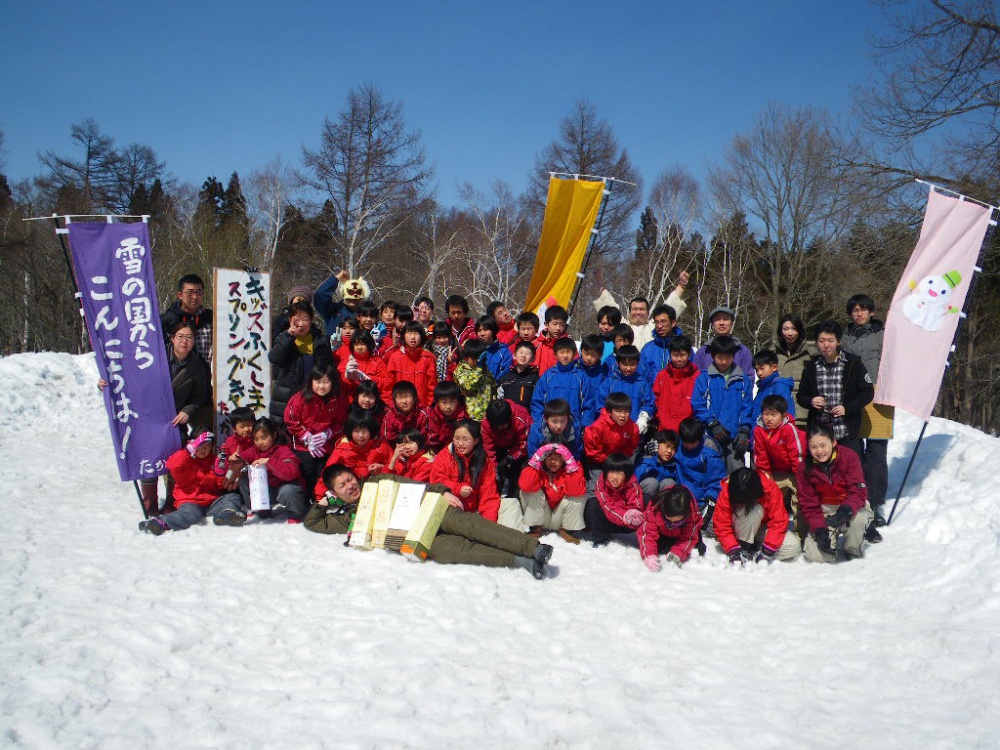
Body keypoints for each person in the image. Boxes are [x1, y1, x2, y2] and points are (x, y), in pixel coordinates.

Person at [304, 464, 554, 578]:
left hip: (430, 511)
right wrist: (324, 502)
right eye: (342, 486)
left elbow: (413, 485)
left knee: (473, 527)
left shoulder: (378, 481)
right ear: (335, 493)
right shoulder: (350, 518)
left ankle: (533, 548)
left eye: (349, 479)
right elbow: (313, 523)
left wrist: (441, 491)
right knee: (458, 551)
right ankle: (522, 562)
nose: (350, 486)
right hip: (417, 538)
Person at [841, 293, 889, 538]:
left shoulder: (883, 334)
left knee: (877, 452)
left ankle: (876, 502)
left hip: (880, 396)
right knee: (854, 450)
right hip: (853, 396)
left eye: (863, 309)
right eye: (855, 310)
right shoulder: (845, 336)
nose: (858, 314)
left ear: (872, 312)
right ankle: (860, 498)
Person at [138, 431, 245, 535]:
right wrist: (188, 450)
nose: (204, 450)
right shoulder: (185, 458)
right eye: (201, 446)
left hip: (211, 501)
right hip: (190, 501)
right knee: (191, 516)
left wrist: (221, 474)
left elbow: (221, 485)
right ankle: (160, 523)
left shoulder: (214, 460)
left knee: (232, 497)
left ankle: (227, 515)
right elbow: (172, 465)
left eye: (208, 446)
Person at [796, 320, 874, 459]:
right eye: (821, 341)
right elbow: (801, 396)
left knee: (850, 468)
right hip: (820, 432)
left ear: (838, 342)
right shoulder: (811, 367)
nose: (826, 345)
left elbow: (867, 392)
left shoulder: (853, 364)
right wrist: (811, 401)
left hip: (847, 430)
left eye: (830, 340)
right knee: (820, 470)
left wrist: (847, 408)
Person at [798, 423, 874, 563]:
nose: (819, 451)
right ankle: (828, 546)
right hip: (825, 511)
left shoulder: (848, 457)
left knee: (858, 520)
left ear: (833, 442)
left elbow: (858, 491)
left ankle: (852, 549)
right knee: (817, 556)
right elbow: (809, 504)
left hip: (851, 507)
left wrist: (846, 510)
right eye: (813, 447)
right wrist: (820, 530)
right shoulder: (805, 468)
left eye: (823, 445)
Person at [713, 467, 801, 565]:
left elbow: (778, 521)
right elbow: (721, 526)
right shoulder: (728, 490)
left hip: (762, 527)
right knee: (754, 510)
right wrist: (733, 549)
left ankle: (757, 546)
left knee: (793, 548)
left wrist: (768, 550)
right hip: (740, 526)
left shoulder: (769, 488)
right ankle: (743, 546)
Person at [283, 361, 349, 491]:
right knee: (307, 469)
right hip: (303, 444)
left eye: (326, 382)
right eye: (318, 381)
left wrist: (327, 434)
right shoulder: (301, 397)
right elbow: (291, 418)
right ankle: (306, 497)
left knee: (324, 472)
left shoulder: (338, 399)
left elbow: (342, 422)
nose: (322, 386)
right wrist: (306, 437)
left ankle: (321, 497)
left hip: (327, 444)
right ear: (311, 381)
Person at [691, 336, 754, 471]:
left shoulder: (742, 380)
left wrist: (744, 430)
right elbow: (698, 404)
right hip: (711, 436)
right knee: (713, 473)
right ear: (713, 356)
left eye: (728, 357)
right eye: (720, 357)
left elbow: (747, 407)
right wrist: (712, 423)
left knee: (737, 474)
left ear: (733, 357)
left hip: (734, 438)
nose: (724, 362)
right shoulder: (705, 378)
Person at [268, 300, 332, 424]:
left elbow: (328, 369)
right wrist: (288, 337)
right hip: (286, 397)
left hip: (313, 398)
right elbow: (274, 358)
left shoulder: (321, 341)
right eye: (297, 320)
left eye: (305, 319)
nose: (301, 324)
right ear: (290, 320)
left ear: (311, 320)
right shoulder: (283, 338)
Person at [752, 395, 806, 532]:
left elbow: (797, 454)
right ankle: (767, 527)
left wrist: (800, 476)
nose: (769, 418)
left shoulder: (788, 429)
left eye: (773, 415)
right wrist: (765, 476)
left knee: (801, 496)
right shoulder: (759, 430)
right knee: (767, 494)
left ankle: (801, 530)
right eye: (766, 414)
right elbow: (760, 455)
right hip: (778, 470)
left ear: (783, 415)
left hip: (796, 470)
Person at [429, 419, 501, 522]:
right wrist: (458, 489)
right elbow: (436, 482)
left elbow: (489, 496)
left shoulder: (483, 461)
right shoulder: (444, 456)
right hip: (449, 510)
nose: (460, 443)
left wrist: (487, 524)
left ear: (476, 441)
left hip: (474, 512)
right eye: (456, 438)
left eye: (465, 439)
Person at [238, 417, 309, 523]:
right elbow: (242, 457)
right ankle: (260, 510)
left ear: (274, 435)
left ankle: (296, 514)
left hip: (284, 489)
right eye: (256, 439)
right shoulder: (255, 451)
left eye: (264, 437)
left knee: (289, 490)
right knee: (243, 478)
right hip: (267, 491)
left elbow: (291, 473)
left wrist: (269, 462)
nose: (260, 442)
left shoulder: (284, 450)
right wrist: (235, 460)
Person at [518, 443, 588, 543]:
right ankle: (535, 529)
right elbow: (526, 486)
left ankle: (567, 530)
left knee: (578, 496)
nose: (553, 461)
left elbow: (576, 491)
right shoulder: (535, 468)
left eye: (558, 456)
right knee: (529, 491)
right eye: (549, 456)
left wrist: (571, 466)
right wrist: (535, 462)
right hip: (542, 517)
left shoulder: (575, 468)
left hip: (561, 518)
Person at [675, 418, 727, 534]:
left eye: (692, 443)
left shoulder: (709, 452)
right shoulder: (676, 445)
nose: (688, 446)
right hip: (680, 495)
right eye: (686, 442)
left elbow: (716, 480)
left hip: (702, 498)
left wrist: (711, 499)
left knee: (709, 529)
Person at [320, 410, 392, 492]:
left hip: (379, 489)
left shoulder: (381, 446)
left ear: (371, 430)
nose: (361, 435)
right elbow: (327, 476)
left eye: (364, 431)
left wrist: (382, 468)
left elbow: (396, 466)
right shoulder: (342, 450)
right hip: (350, 492)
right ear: (350, 432)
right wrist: (323, 497)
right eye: (356, 431)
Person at [584, 452, 645, 547]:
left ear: (627, 474)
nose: (615, 477)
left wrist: (631, 517)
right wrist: (624, 516)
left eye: (620, 473)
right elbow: (606, 506)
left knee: (646, 499)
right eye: (611, 472)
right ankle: (601, 538)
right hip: (608, 522)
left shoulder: (633, 486)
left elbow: (636, 508)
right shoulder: (601, 484)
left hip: (627, 525)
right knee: (592, 504)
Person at [637, 485, 703, 572]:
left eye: (677, 520)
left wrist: (677, 553)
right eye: (669, 519)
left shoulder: (691, 515)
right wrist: (650, 555)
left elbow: (688, 538)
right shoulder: (654, 509)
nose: (672, 523)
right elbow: (648, 533)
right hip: (661, 534)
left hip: (679, 538)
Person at [530, 337, 592, 427]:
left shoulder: (581, 377)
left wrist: (583, 426)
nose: (565, 356)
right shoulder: (548, 376)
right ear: (555, 355)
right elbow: (537, 402)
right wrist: (540, 423)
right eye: (562, 352)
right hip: (550, 426)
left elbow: (589, 405)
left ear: (574, 353)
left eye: (568, 352)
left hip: (574, 427)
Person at [598, 344, 655, 435]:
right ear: (618, 363)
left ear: (637, 364)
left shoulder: (642, 383)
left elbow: (649, 403)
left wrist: (643, 417)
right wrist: (608, 419)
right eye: (625, 364)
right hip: (612, 430)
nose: (628, 368)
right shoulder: (610, 383)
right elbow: (601, 404)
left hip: (634, 429)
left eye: (632, 365)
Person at [692, 306, 754, 385]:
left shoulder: (742, 351)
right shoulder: (703, 352)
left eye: (725, 319)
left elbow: (749, 379)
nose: (721, 323)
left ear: (732, 323)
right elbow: (696, 379)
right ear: (712, 324)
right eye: (717, 319)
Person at [481, 399, 531, 497]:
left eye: (502, 425)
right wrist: (494, 468)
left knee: (516, 473)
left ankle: (514, 496)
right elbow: (488, 447)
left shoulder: (519, 419)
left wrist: (510, 458)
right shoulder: (486, 423)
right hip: (498, 445)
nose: (499, 428)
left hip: (519, 449)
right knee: (492, 472)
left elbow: (523, 444)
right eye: (496, 426)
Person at [773, 313, 817, 424]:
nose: (790, 333)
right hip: (779, 414)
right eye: (786, 329)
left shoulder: (811, 353)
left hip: (804, 415)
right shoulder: (773, 353)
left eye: (794, 329)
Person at [160, 273, 213, 364]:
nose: (194, 297)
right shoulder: (167, 320)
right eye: (189, 293)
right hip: (177, 371)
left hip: (205, 371)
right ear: (180, 295)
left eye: (199, 293)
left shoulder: (211, 318)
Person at [651, 335, 698, 432]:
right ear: (670, 354)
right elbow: (655, 399)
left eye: (682, 355)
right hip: (664, 429)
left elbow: (699, 403)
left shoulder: (696, 377)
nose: (679, 359)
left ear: (689, 354)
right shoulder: (662, 375)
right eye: (675, 355)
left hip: (687, 431)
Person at [386, 321, 438, 408]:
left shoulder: (428, 358)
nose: (413, 337)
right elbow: (388, 385)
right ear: (403, 336)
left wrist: (429, 406)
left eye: (416, 333)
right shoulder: (395, 357)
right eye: (409, 333)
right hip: (399, 408)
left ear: (421, 336)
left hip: (422, 408)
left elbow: (432, 386)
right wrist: (391, 406)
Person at [583, 392, 640, 469]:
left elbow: (631, 447)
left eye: (626, 411)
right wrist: (609, 461)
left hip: (620, 461)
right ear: (609, 412)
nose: (623, 415)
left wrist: (619, 460)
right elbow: (593, 451)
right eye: (618, 411)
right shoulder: (597, 427)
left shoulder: (632, 427)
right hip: (599, 462)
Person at [339, 330, 391, 404]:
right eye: (356, 344)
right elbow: (339, 388)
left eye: (362, 344)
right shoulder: (346, 363)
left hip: (372, 402)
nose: (359, 348)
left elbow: (385, 384)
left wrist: (367, 378)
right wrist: (347, 377)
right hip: (352, 404)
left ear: (369, 345)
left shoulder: (378, 362)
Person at [637, 304, 684, 385]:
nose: (659, 326)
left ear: (673, 323)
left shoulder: (684, 347)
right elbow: (641, 376)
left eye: (663, 322)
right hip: (653, 391)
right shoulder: (647, 349)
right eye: (656, 322)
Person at [452, 339, 496, 421]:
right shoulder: (461, 370)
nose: (477, 361)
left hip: (487, 417)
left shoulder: (486, 371)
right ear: (467, 357)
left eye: (479, 358)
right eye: (473, 358)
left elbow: (493, 390)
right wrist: (478, 369)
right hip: (470, 417)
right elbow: (468, 387)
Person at [313, 270, 368, 334]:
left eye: (358, 292)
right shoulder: (333, 311)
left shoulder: (365, 314)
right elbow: (320, 294)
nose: (354, 297)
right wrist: (337, 278)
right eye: (350, 292)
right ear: (343, 293)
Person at [635, 430, 682, 503]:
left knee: (670, 483)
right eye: (667, 446)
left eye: (673, 449)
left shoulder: (674, 466)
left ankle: (661, 509)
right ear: (657, 444)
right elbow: (635, 481)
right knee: (652, 483)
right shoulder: (646, 459)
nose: (669, 451)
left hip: (660, 500)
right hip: (641, 498)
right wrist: (652, 460)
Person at [751, 349, 794, 425]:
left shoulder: (780, 386)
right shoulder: (762, 387)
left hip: (773, 431)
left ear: (774, 367)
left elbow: (786, 414)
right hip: (759, 430)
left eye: (762, 368)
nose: (759, 373)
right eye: (756, 370)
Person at [380, 380, 429, 446]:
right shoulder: (389, 416)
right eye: (400, 397)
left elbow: (424, 437)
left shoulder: (422, 415)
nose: (404, 401)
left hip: (417, 447)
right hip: (397, 448)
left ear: (415, 398)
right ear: (394, 400)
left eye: (407, 396)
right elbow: (387, 439)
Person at [425, 381, 468, 452]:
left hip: (457, 449)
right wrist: (434, 451)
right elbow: (432, 436)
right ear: (437, 402)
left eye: (452, 401)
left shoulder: (462, 416)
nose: (448, 406)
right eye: (444, 402)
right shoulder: (432, 415)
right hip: (437, 449)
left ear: (458, 401)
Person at [496, 341, 538, 410]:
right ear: (514, 355)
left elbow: (538, 400)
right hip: (509, 413)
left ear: (533, 359)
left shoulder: (534, 378)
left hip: (527, 414)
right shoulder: (506, 377)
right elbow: (500, 398)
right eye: (521, 352)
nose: (523, 356)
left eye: (527, 354)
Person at [533, 305, 569, 375]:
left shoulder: (568, 345)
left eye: (562, 325)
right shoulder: (535, 344)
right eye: (554, 324)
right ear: (546, 324)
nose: (558, 328)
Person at [476, 315, 513, 381]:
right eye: (479, 330)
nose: (482, 333)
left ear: (493, 330)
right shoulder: (474, 350)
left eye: (485, 330)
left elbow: (505, 374)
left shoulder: (503, 352)